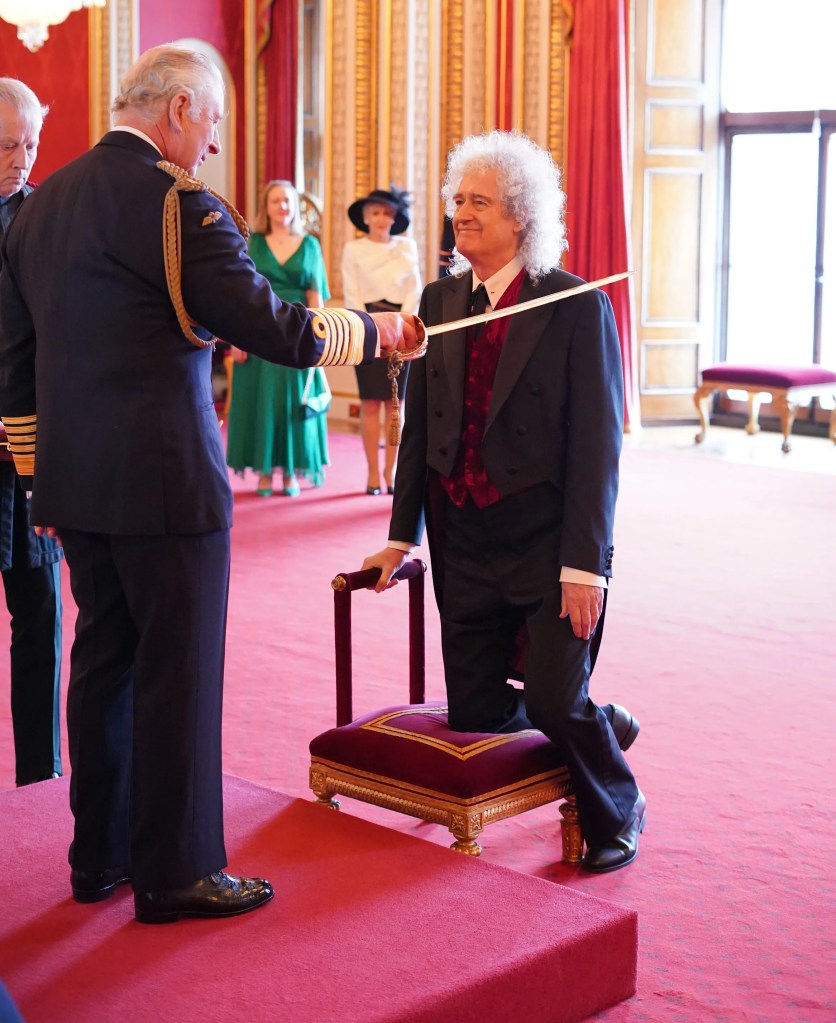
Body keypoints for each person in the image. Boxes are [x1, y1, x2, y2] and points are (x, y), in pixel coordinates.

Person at [0, 44, 419, 923]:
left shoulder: (39, 210)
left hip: (74, 485)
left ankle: (100, 856)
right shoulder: (177, 206)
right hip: (166, 484)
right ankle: (178, 870)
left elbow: (15, 360)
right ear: (182, 108)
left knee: (103, 663)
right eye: (215, 123)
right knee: (178, 673)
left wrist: (39, 476)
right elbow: (275, 326)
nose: (216, 145)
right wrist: (378, 332)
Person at [363, 130, 645, 874]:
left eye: (478, 202)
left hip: (550, 545)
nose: (461, 213)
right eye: (457, 199)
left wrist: (587, 564)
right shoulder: (438, 299)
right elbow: (419, 430)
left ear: (520, 216)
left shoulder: (575, 303)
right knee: (480, 714)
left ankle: (616, 801)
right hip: (465, 540)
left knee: (552, 699)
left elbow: (597, 446)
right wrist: (401, 535)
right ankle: (598, 721)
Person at [0, 78, 63, 788]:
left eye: (30, 144)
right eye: (7, 146)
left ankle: (40, 777)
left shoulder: (49, 217)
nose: (22, 159)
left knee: (39, 616)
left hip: (29, 454)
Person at [226, 180, 331, 497]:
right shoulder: (251, 243)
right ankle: (263, 469)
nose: (282, 206)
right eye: (276, 201)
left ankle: (290, 472)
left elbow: (316, 297)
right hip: (258, 328)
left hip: (298, 330)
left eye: (287, 201)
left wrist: (322, 339)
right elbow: (240, 295)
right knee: (261, 399)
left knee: (292, 403)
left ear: (295, 206)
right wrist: (237, 337)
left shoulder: (310, 245)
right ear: (266, 207)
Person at [342, 187, 421, 494]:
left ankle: (392, 472)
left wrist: (403, 326)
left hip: (401, 327)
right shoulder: (354, 249)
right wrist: (370, 330)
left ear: (394, 218)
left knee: (395, 405)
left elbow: (415, 287)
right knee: (371, 403)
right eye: (375, 213)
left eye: (387, 213)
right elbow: (352, 292)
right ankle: (373, 474)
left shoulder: (407, 246)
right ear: (365, 218)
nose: (380, 219)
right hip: (368, 327)